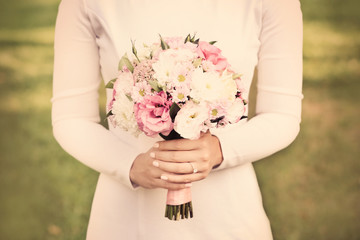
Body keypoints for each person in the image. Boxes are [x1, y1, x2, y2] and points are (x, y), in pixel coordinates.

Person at [51, 0, 303, 239]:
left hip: (229, 216)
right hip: (126, 216)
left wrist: (219, 150)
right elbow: (71, 117)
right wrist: (129, 165)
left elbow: (282, 115)